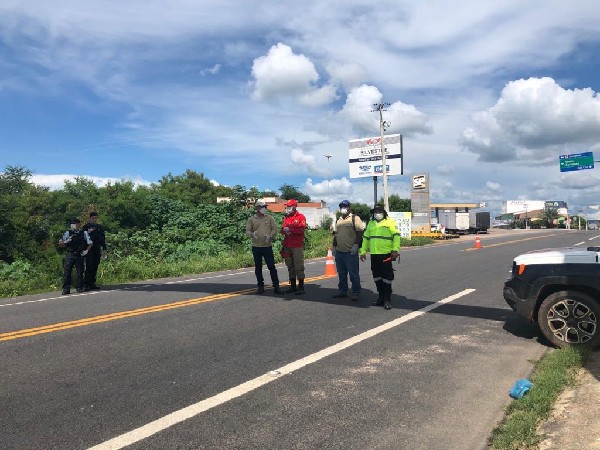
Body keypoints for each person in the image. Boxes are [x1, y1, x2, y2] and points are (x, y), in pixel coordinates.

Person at [360, 204, 400, 310]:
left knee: (387, 278)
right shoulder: (371, 224)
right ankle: (381, 298)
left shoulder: (390, 222)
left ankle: (387, 299)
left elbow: (396, 236)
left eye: (379, 211)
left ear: (384, 212)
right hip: (374, 254)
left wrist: (395, 250)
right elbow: (365, 238)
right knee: (377, 277)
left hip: (386, 254)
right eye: (375, 212)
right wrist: (363, 251)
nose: (377, 213)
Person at [246, 200, 282, 295]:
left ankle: (276, 286)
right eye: (262, 207)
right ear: (257, 208)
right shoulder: (251, 219)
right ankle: (260, 286)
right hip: (256, 247)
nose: (264, 209)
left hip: (267, 246)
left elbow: (274, 229)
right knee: (258, 267)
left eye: (265, 207)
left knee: (271, 266)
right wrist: (252, 234)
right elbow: (248, 231)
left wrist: (270, 236)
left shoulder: (269, 218)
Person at [332, 199, 364, 301]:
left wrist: (356, 245)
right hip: (339, 252)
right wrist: (334, 247)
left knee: (353, 273)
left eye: (345, 206)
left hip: (350, 252)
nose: (343, 208)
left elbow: (360, 232)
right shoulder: (339, 220)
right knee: (341, 274)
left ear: (349, 207)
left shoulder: (355, 218)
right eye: (341, 206)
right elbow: (336, 235)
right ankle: (342, 291)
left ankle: (356, 292)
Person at [58, 218, 93, 295]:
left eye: (74, 224)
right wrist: (66, 241)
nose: (73, 225)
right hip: (70, 254)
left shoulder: (84, 233)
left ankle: (79, 287)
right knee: (67, 272)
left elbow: (90, 243)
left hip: (79, 254)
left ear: (78, 224)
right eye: (72, 224)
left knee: (80, 272)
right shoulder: (68, 233)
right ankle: (66, 289)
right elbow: (61, 243)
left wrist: (86, 251)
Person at [281, 199, 307, 295]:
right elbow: (282, 229)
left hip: (296, 245)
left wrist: (291, 229)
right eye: (287, 206)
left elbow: (301, 230)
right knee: (290, 266)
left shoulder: (301, 217)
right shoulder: (286, 218)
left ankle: (301, 286)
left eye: (289, 206)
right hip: (287, 245)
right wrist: (284, 230)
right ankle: (292, 286)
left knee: (298, 266)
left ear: (295, 207)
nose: (287, 208)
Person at [82, 211, 106, 290]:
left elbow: (103, 238)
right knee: (89, 266)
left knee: (95, 266)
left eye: (95, 218)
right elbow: (82, 238)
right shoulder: (86, 227)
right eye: (93, 218)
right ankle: (86, 284)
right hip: (89, 249)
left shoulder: (99, 227)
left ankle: (92, 283)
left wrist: (104, 248)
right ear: (90, 218)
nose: (94, 220)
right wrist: (88, 232)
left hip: (97, 248)